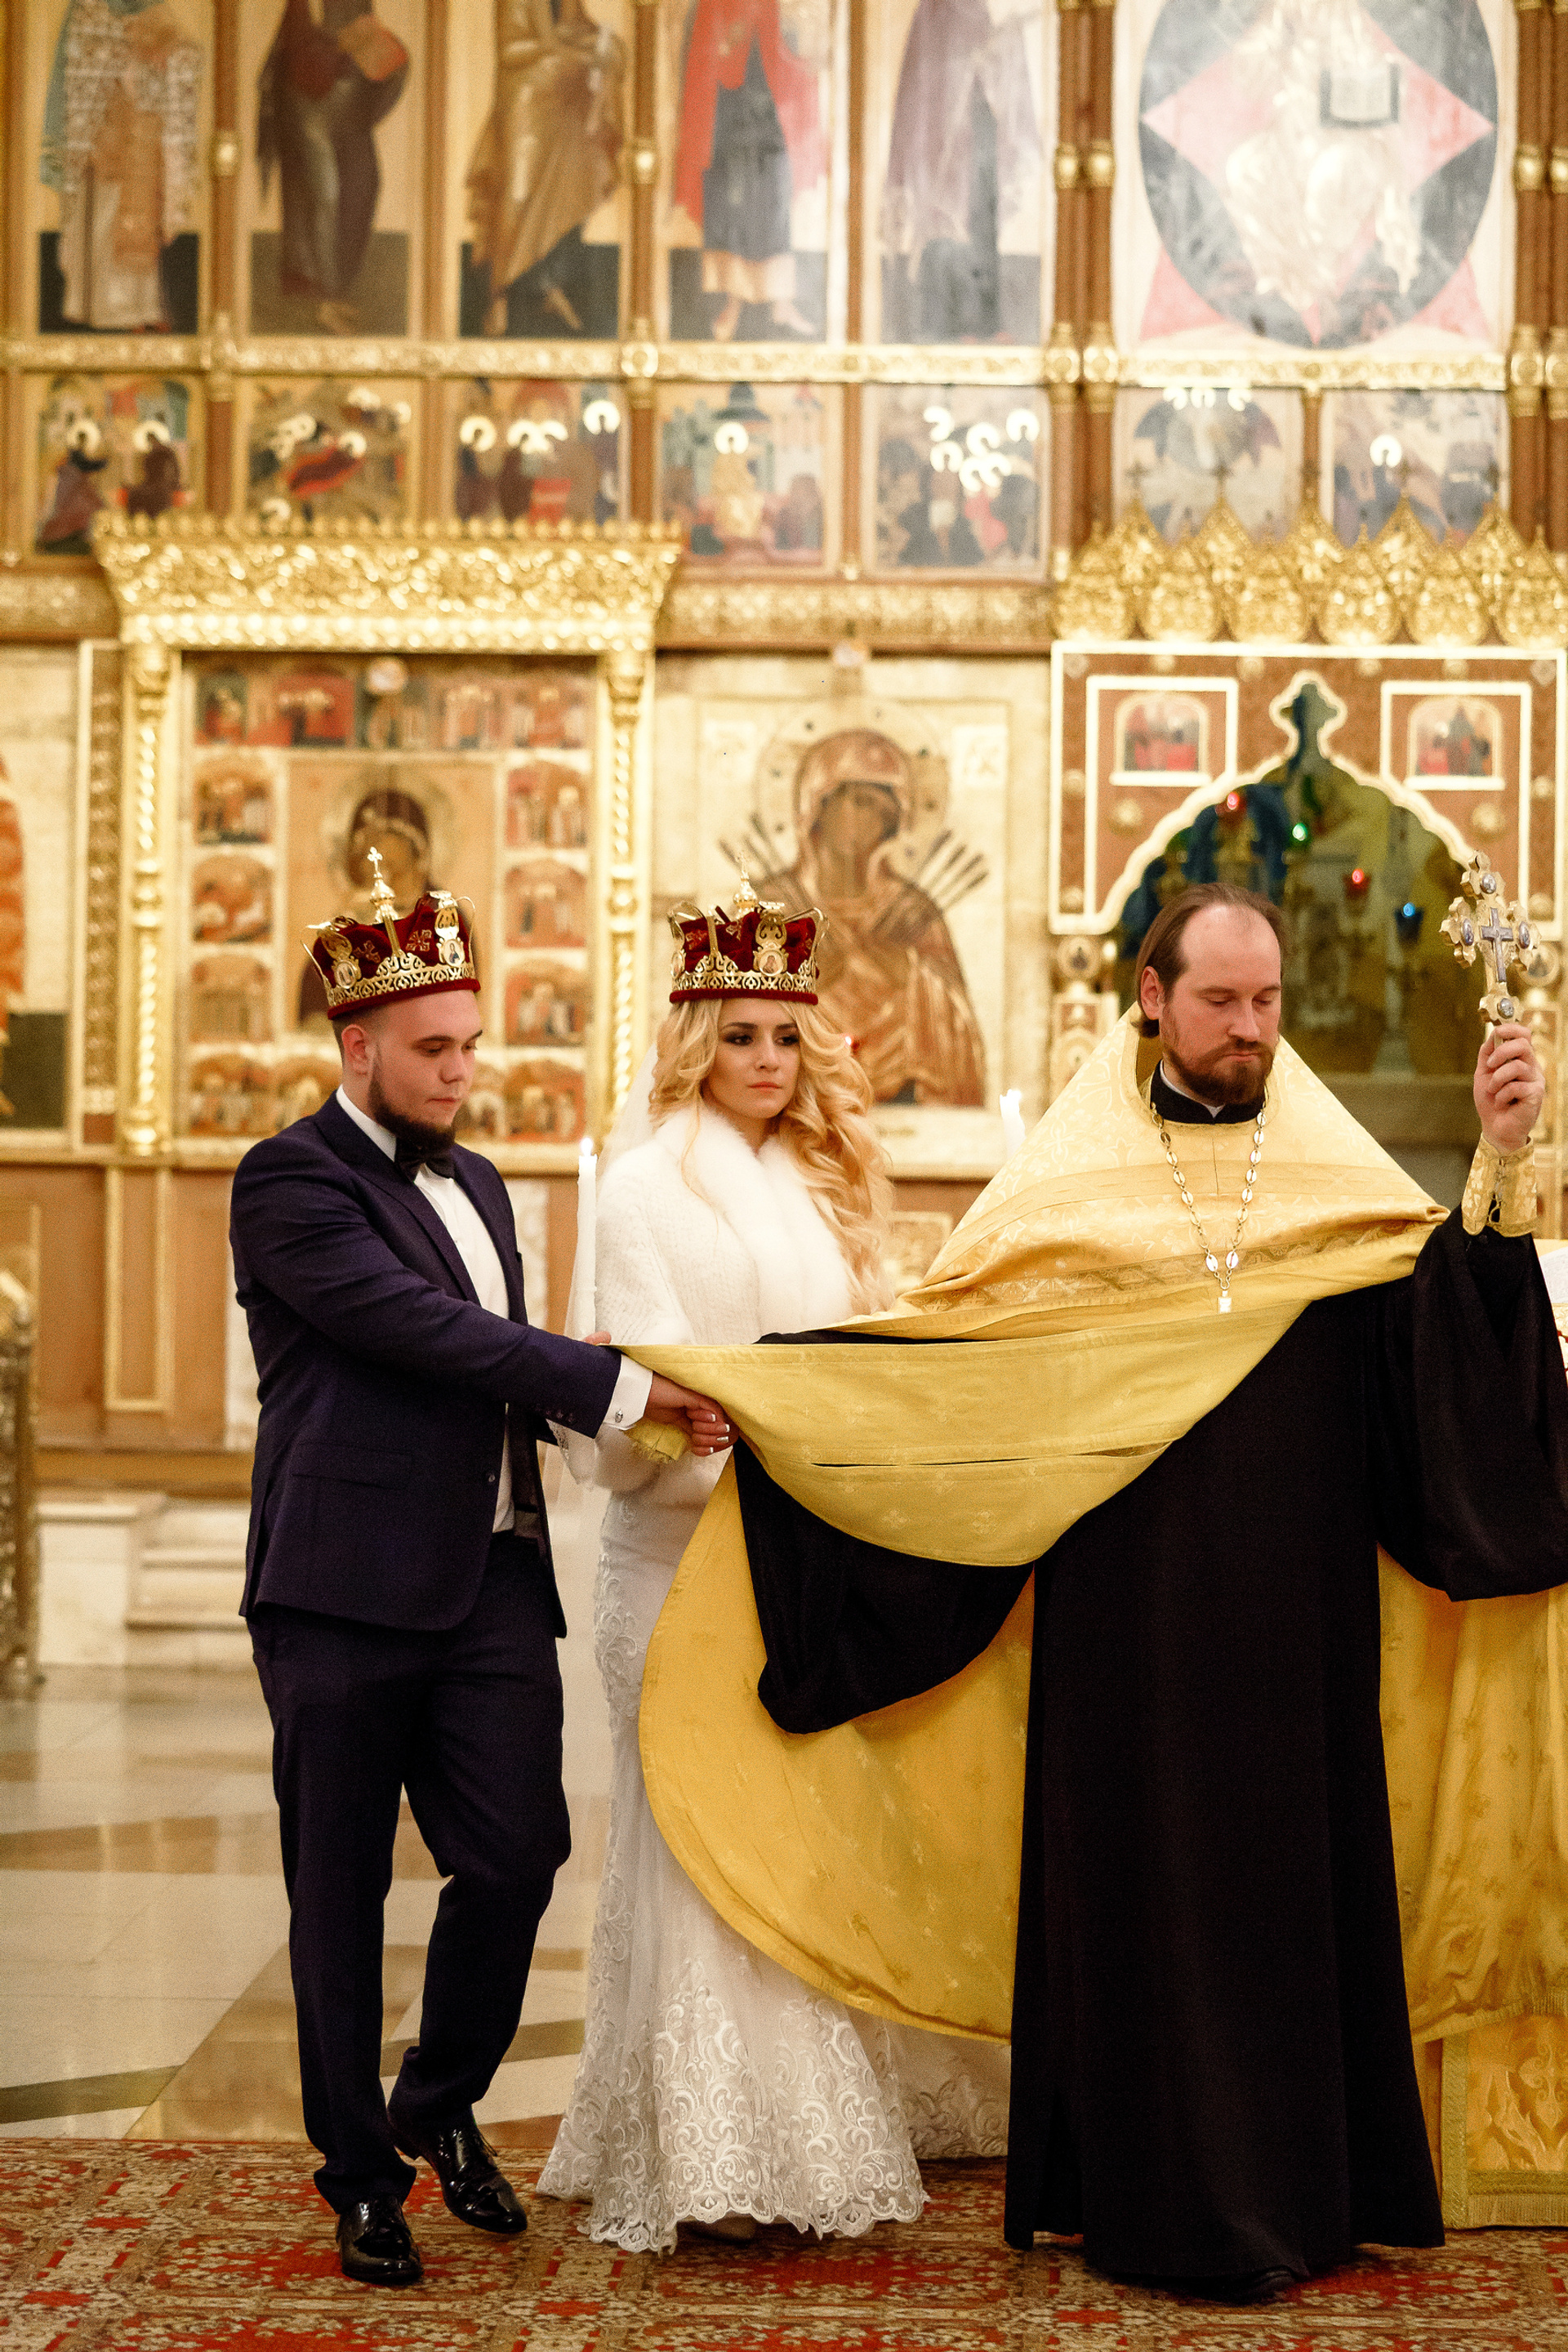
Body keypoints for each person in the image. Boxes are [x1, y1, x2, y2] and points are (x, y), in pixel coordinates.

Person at [626, 880, 1568, 2305]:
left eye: (1266, 1005)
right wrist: (803, 1408)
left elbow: (1435, 1342)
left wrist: (1499, 1167)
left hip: (1296, 1635)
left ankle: (1305, 2197)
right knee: (1136, 1889)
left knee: (1287, 1893)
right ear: (1152, 996)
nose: (1250, 1030)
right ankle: (1142, 2199)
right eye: (1221, 1004)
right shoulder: (1066, 1186)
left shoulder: (1334, 1176)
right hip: (1123, 1627)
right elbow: (962, 1359)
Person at [230, 864, 725, 2288]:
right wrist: (624, 1384)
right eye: (433, 1052)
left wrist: (637, 1406)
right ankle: (361, 2175)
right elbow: (427, 1337)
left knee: (516, 1862)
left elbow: (505, 1367)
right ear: (357, 1048)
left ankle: (435, 2106)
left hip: (493, 1579)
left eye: (470, 1046)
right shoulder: (290, 1181)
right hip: (338, 1588)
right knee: (337, 1893)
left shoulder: (488, 1180)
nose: (461, 1073)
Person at [538, 878, 1009, 2250]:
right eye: (741, 1035)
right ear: (695, 1039)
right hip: (676, 1556)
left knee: (788, 1832)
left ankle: (719, 2117)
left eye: (787, 1038)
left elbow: (845, 1347)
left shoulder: (811, 1181)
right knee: (692, 1840)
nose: (766, 1061)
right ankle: (716, 2155)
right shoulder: (643, 1185)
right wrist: (714, 1437)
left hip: (791, 1553)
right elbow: (629, 1395)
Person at [755, 728, 986, 1105]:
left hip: (904, 1098)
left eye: (883, 811)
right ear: (818, 804)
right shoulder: (772, 906)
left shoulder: (913, 912)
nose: (869, 821)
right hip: (791, 1103)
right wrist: (800, 979)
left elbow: (956, 1032)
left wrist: (910, 973)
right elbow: (731, 1018)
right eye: (858, 802)